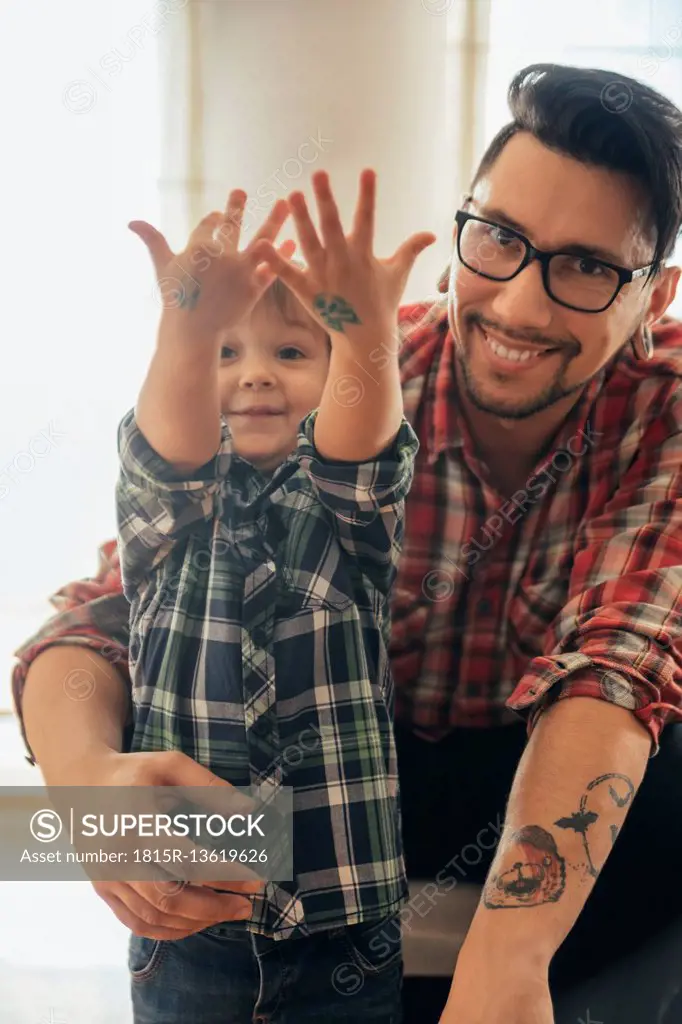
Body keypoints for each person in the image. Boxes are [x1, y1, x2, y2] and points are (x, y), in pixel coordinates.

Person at [12, 62, 682, 1024]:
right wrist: (87, 793)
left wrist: (507, 962)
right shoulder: (339, 382)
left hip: (545, 766)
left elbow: (619, 665)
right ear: (462, 237)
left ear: (654, 300)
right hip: (355, 769)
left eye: (587, 267)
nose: (523, 308)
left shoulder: (666, 406)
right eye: (500, 239)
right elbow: (114, 607)